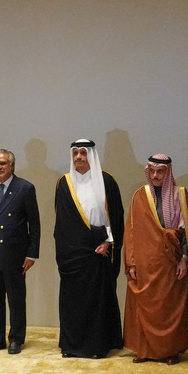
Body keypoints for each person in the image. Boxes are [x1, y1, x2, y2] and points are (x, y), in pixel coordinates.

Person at [123, 154, 188, 364]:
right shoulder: (140, 196)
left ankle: (170, 351)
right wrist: (131, 262)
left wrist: (184, 259)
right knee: (146, 308)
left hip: (171, 263)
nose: (156, 176)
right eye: (152, 171)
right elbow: (131, 231)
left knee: (170, 309)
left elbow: (187, 232)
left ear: (168, 173)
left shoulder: (180, 196)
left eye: (160, 172)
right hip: (145, 264)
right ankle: (145, 351)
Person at [54, 139, 125, 358]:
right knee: (73, 302)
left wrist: (108, 242)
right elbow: (62, 222)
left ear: (91, 156)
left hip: (98, 252)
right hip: (73, 254)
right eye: (75, 153)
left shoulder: (106, 181)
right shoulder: (64, 183)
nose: (78, 157)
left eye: (83, 153)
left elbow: (116, 217)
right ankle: (71, 346)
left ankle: (97, 346)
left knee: (97, 301)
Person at [0, 149, 40, 355]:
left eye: (3, 163)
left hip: (15, 254)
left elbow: (34, 224)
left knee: (16, 299)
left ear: (12, 165)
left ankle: (16, 339)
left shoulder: (24, 188)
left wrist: (32, 253)